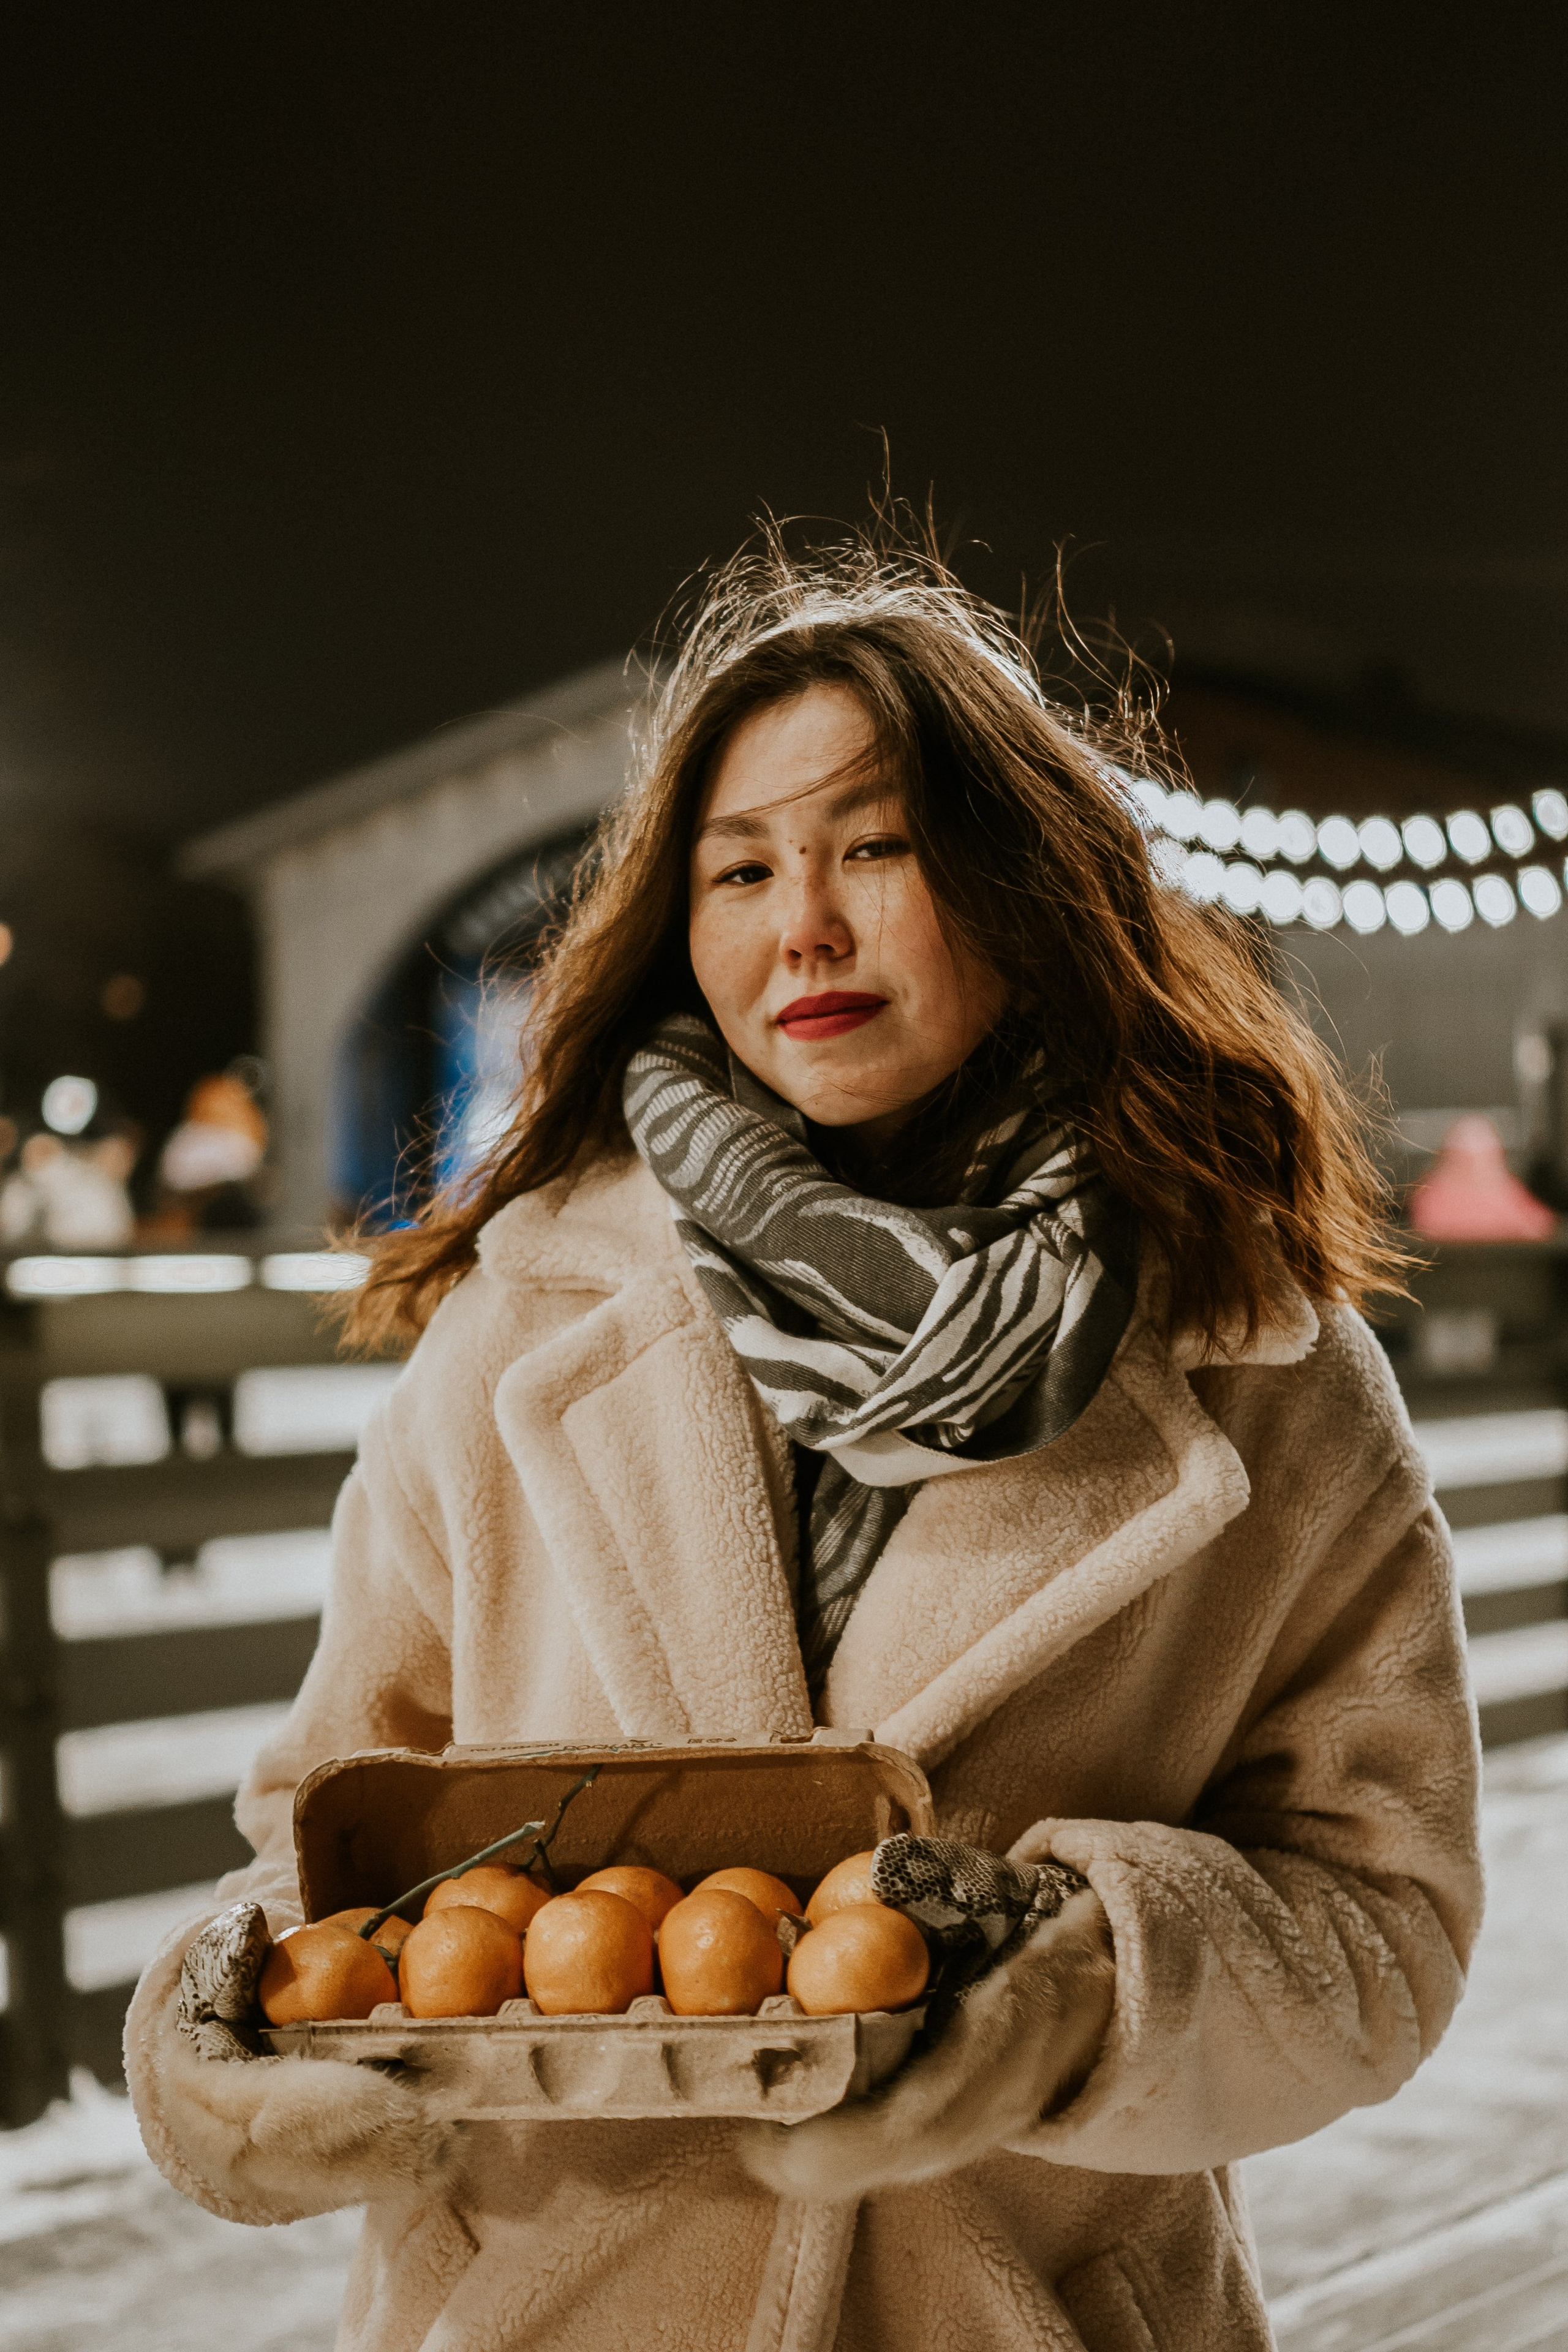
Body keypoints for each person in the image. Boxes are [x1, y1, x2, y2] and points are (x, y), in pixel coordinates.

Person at [126, 528, 1482, 2352]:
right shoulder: (523, 1327)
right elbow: (330, 1830)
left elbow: (1383, 1910)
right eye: (742, 867)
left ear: (1028, 885)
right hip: (560, 2309)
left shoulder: (1259, 1360)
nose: (805, 927)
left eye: (876, 849)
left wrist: (1084, 1995)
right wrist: (217, 2033)